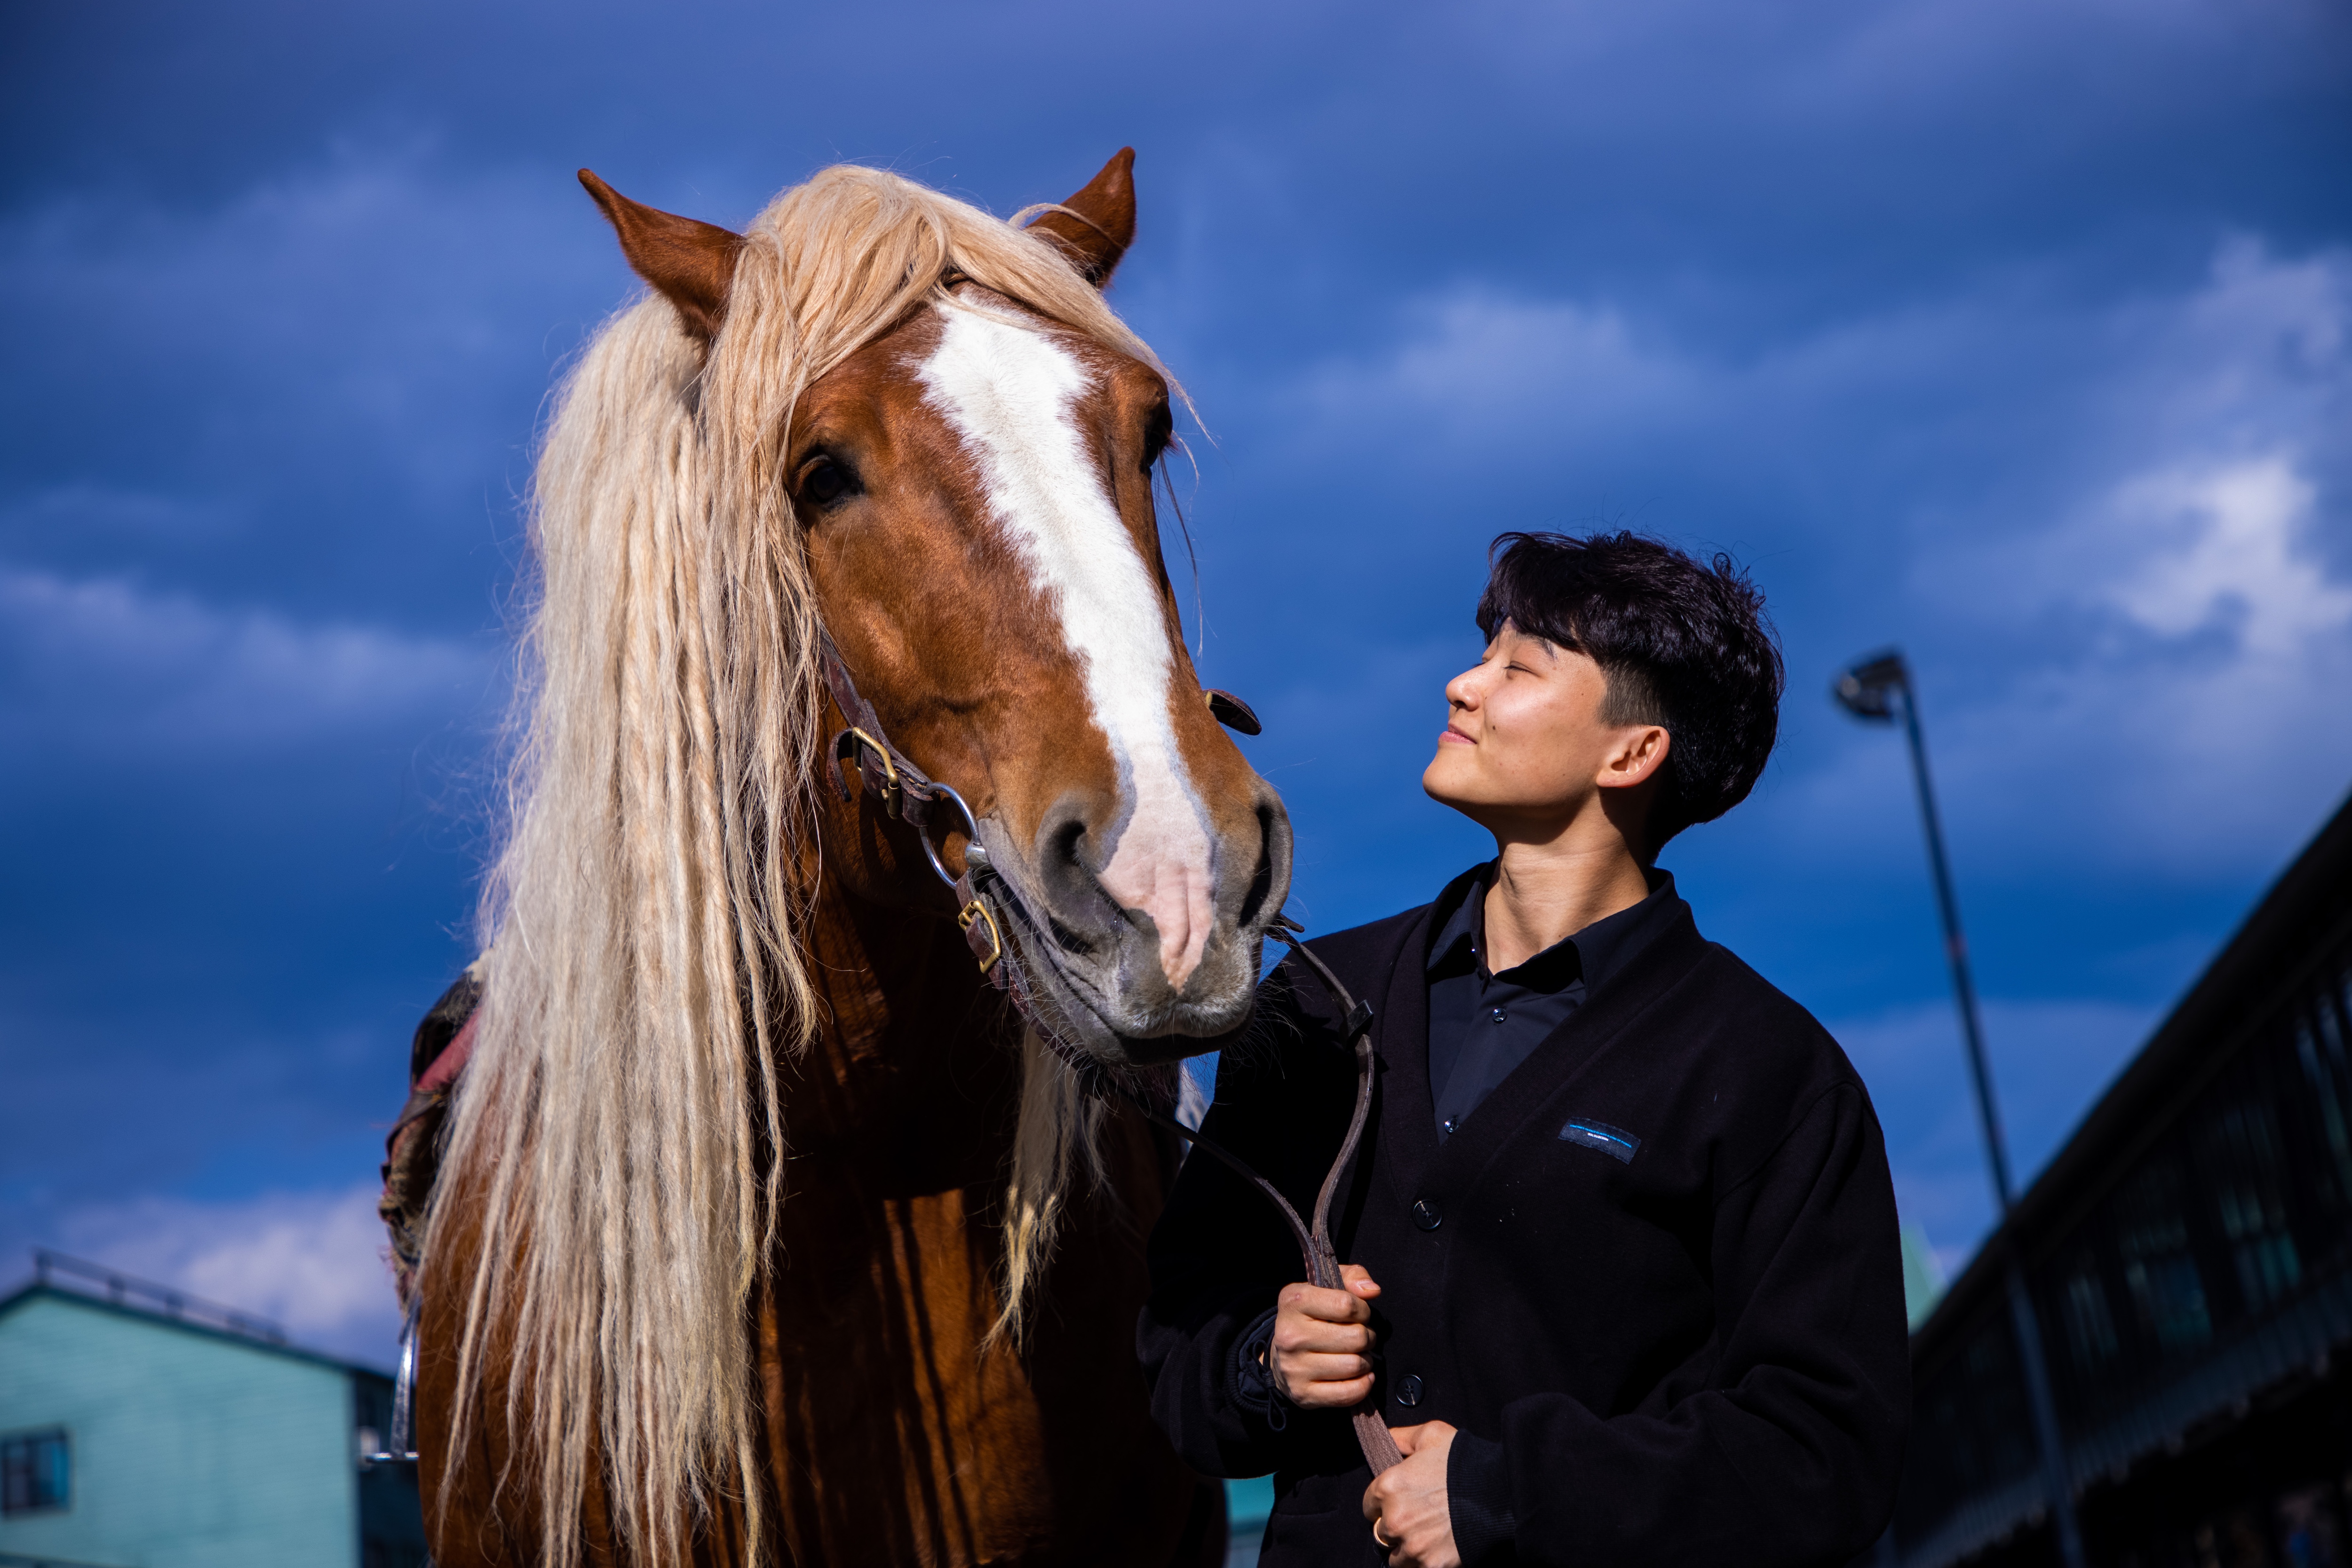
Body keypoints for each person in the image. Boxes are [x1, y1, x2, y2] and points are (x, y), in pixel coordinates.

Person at [1138, 532, 1910, 1568]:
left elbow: (1824, 1454)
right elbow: (1174, 1341)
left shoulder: (1770, 1071)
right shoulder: (1316, 1005)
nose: (1462, 684)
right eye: (1481, 650)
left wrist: (1509, 1496)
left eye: (1520, 667)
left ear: (1630, 752)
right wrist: (1257, 1361)